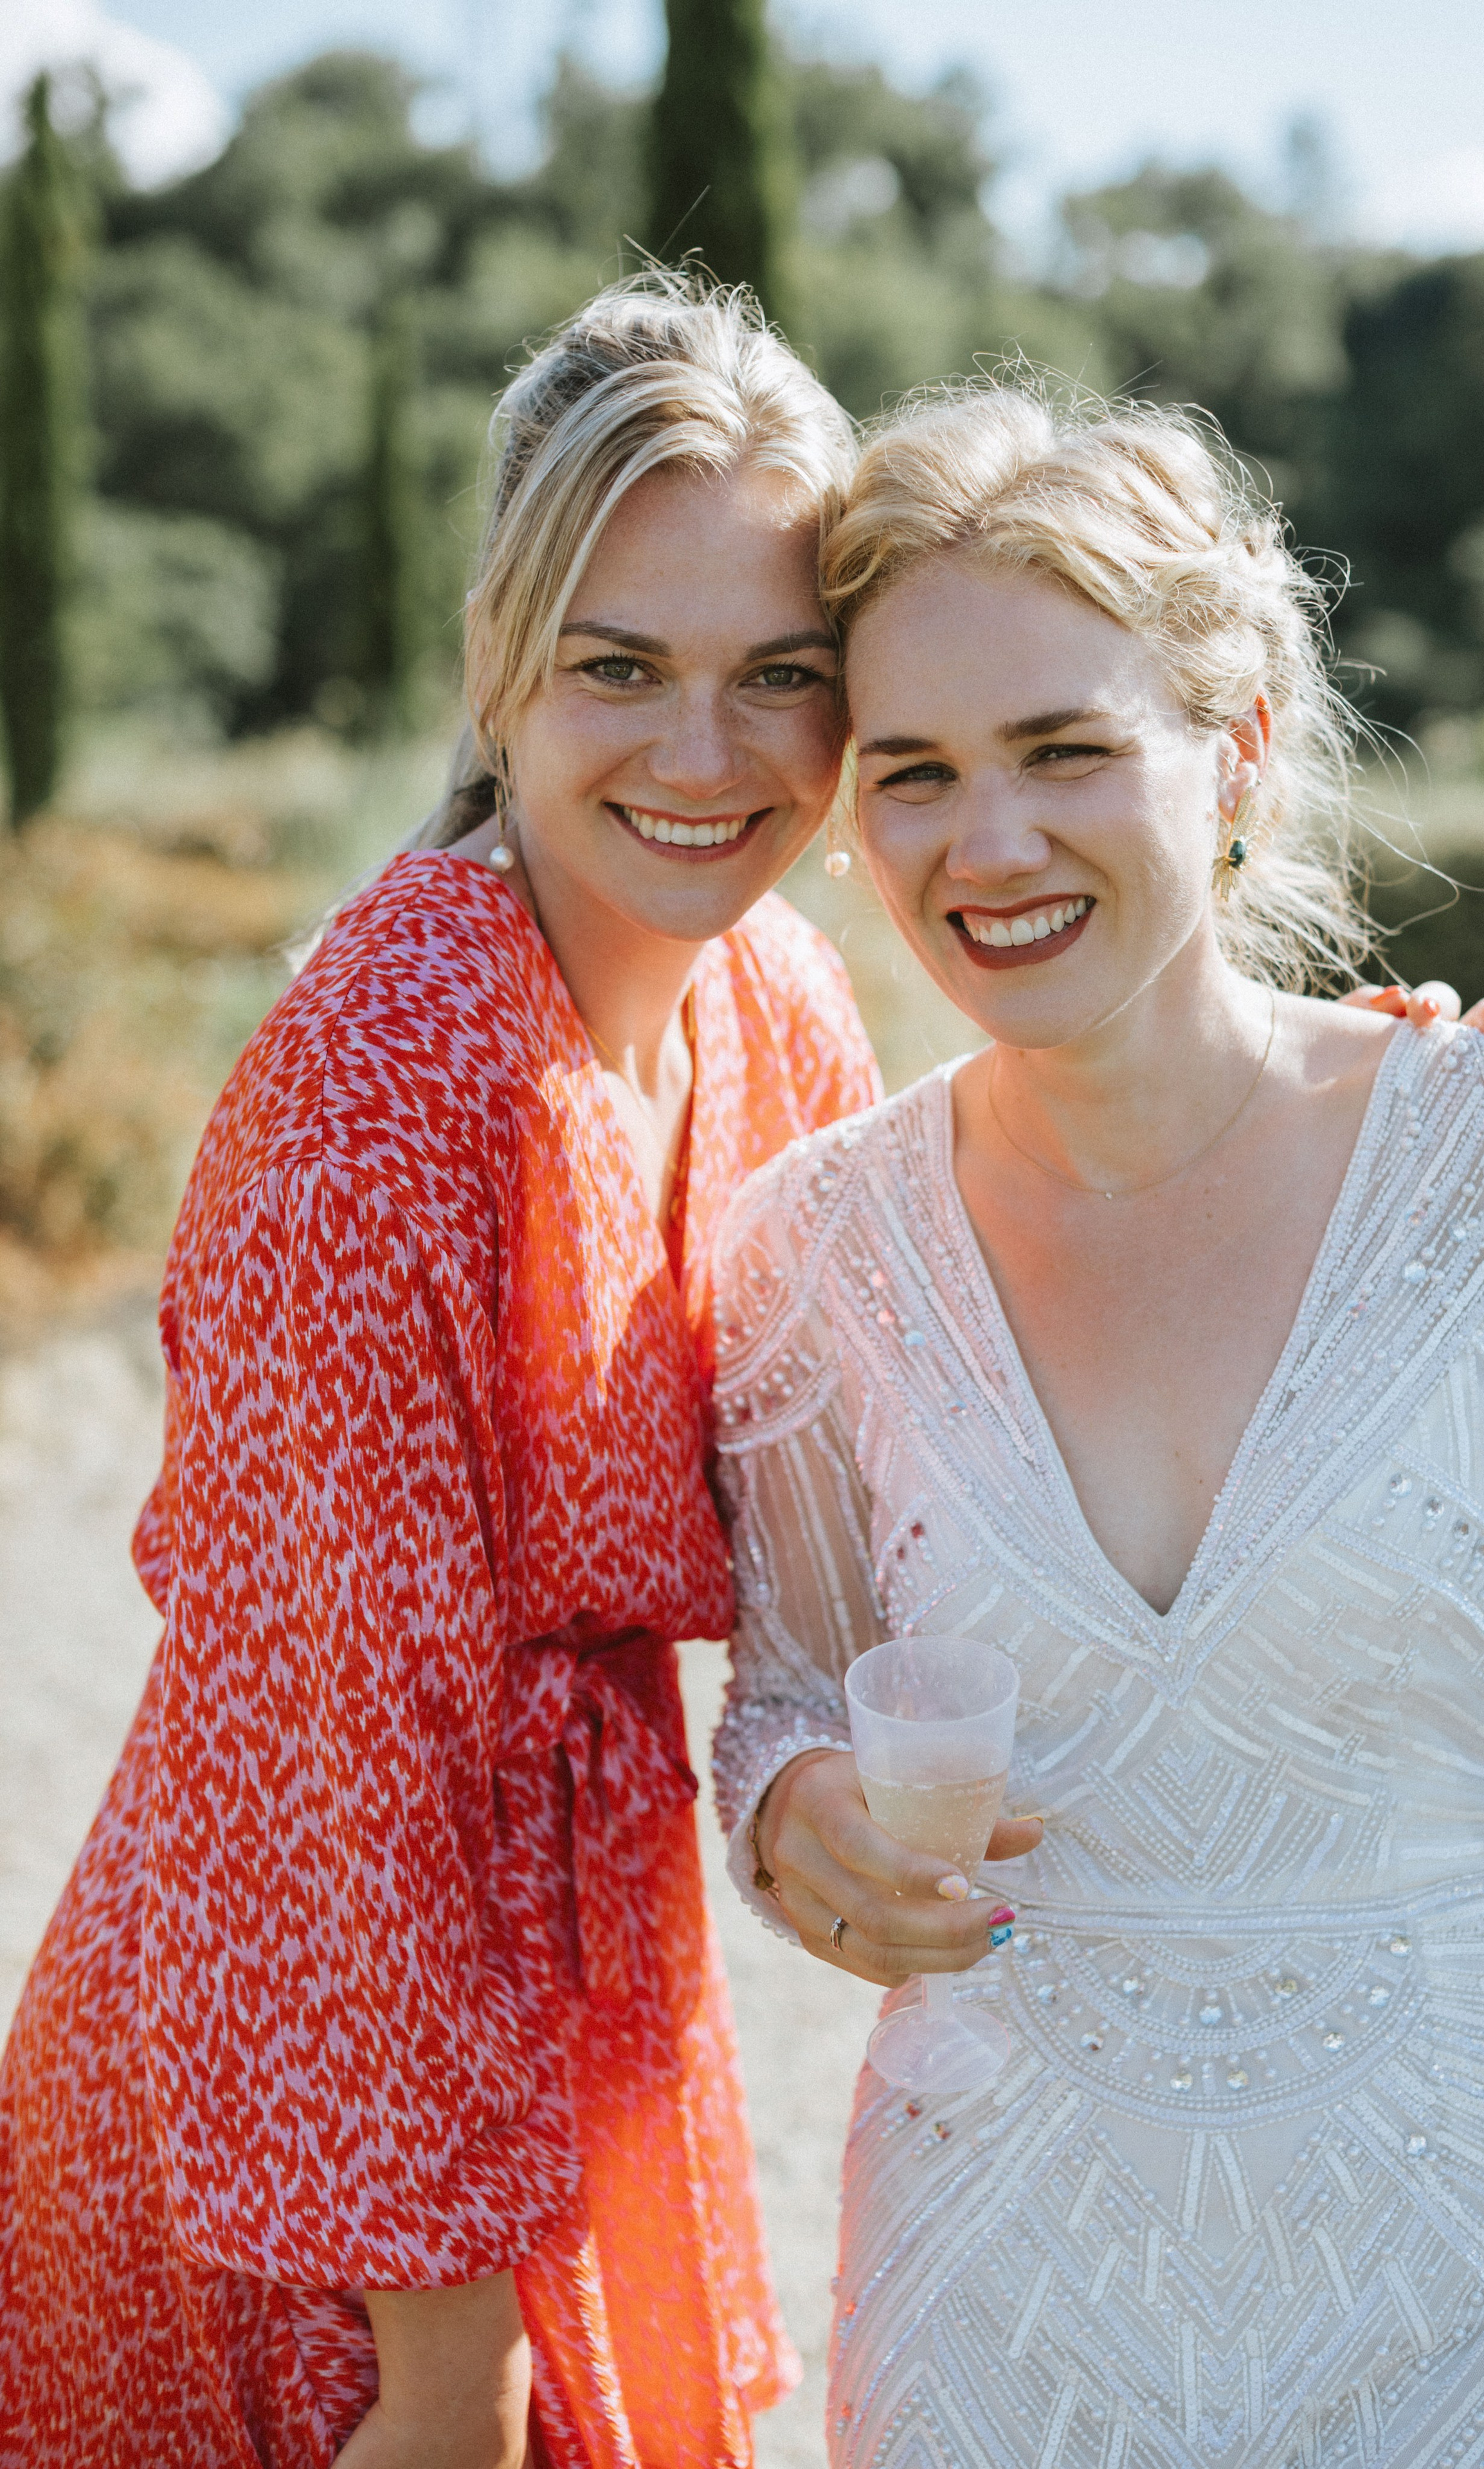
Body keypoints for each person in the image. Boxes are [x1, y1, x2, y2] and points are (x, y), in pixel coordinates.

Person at [712, 385, 1484, 2468]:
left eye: (1065, 750)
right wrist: (792, 1823)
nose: (990, 844)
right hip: (1002, 2297)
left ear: (1231, 757)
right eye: (918, 776)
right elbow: (788, 1696)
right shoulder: (810, 1252)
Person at [0, 278, 881, 2469]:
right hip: (302, 2096)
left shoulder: (775, 997)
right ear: (501, 661)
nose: (708, 754)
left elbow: (986, 1325)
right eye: (618, 668)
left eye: (782, 677)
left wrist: (1363, 1103)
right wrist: (445, 2362)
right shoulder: (386, 1078)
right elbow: (328, 1743)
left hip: (562, 2005)